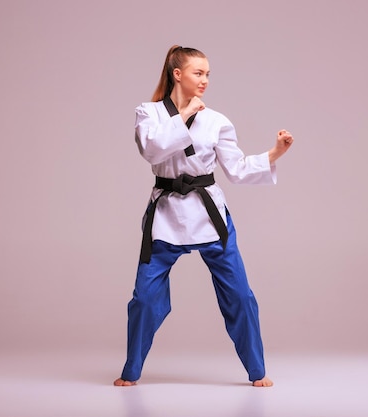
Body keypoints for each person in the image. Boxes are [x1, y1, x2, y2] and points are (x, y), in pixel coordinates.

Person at [114, 45, 293, 388]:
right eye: (198, 73)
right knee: (143, 300)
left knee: (241, 296)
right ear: (177, 74)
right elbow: (151, 150)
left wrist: (275, 153)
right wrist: (182, 116)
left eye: (208, 73)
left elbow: (237, 170)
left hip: (208, 215)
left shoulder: (216, 120)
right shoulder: (148, 113)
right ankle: (132, 370)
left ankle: (257, 370)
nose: (205, 80)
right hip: (166, 216)